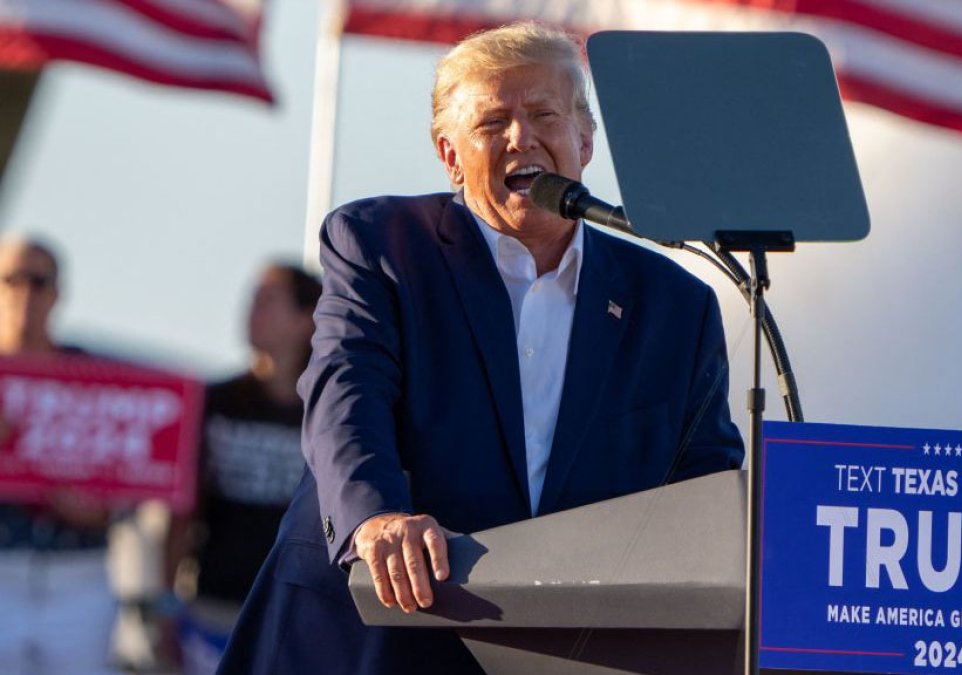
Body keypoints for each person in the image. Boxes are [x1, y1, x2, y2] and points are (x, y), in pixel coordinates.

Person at [218, 22, 744, 674]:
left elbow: (705, 490)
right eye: (493, 122)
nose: (522, 137)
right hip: (376, 634)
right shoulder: (379, 244)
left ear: (584, 140)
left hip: (571, 652)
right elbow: (345, 393)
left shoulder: (674, 305)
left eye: (544, 114)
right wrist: (376, 519)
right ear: (449, 153)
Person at [164, 263, 320, 673]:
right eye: (252, 299)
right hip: (213, 604)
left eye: (268, 300)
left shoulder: (329, 413)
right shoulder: (214, 400)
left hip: (293, 609)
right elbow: (183, 508)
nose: (251, 310)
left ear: (307, 319)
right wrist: (164, 602)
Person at [0, 236, 116, 673]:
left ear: (57, 293)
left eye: (37, 281)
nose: (23, 293)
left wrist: (102, 511)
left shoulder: (95, 379)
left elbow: (132, 475)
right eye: (10, 280)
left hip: (78, 576)